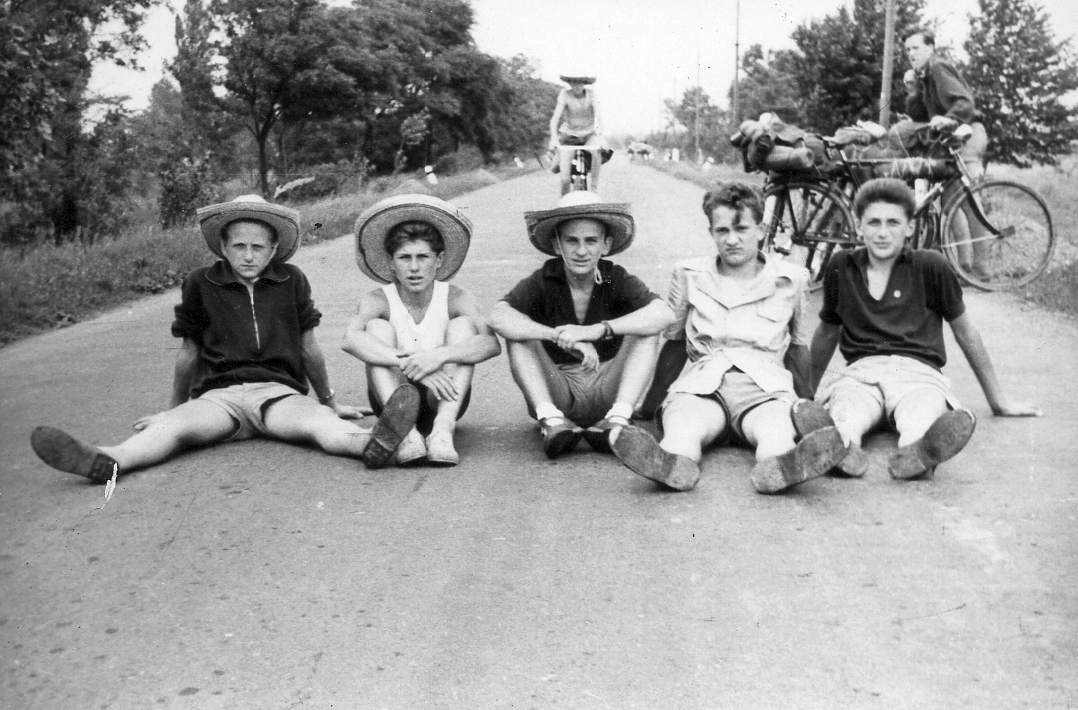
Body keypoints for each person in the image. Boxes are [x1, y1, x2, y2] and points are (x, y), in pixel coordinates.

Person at [30, 195, 421, 483]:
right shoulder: (200, 283)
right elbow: (188, 353)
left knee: (321, 425)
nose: (248, 256)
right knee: (171, 430)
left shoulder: (292, 280)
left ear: (273, 250)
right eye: (239, 246)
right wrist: (173, 408)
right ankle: (107, 460)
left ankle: (372, 443)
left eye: (258, 248)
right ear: (223, 247)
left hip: (278, 394)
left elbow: (309, 347)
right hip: (219, 397)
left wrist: (330, 400)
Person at [611, 183, 848, 493]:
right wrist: (652, 401)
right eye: (722, 231)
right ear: (711, 232)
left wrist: (806, 402)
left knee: (775, 431)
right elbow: (675, 341)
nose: (732, 239)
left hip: (765, 389)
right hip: (703, 386)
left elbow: (798, 347)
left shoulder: (791, 279)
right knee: (683, 426)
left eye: (742, 228)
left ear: (761, 229)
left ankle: (782, 467)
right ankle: (671, 464)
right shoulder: (689, 275)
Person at [802, 178, 1041, 480]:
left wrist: (999, 401)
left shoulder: (931, 265)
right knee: (846, 411)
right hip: (861, 373)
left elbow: (966, 332)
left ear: (910, 227)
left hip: (918, 374)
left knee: (922, 412)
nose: (883, 232)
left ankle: (917, 451)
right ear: (859, 226)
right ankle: (840, 449)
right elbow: (826, 332)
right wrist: (804, 393)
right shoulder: (841, 265)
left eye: (893, 222)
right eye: (873, 222)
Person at [490, 191, 674, 459]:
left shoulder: (616, 277)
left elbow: (664, 314)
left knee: (645, 327)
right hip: (559, 390)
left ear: (606, 245)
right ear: (557, 245)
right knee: (519, 333)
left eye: (591, 241)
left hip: (607, 388)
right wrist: (558, 336)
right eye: (571, 241)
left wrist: (597, 329)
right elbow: (498, 316)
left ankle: (618, 420)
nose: (581, 251)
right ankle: (551, 421)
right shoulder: (544, 278)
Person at [343, 195, 501, 467]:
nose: (414, 268)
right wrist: (410, 362)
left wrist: (438, 357)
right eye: (404, 258)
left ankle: (442, 431)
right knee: (375, 327)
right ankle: (405, 435)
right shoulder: (378, 298)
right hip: (392, 396)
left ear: (439, 260)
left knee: (463, 326)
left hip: (442, 397)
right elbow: (350, 339)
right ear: (391, 262)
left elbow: (490, 344)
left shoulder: (456, 296)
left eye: (422, 257)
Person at [904, 29, 989, 277]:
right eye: (908, 50)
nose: (911, 53)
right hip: (951, 138)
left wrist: (948, 118)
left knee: (969, 199)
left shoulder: (939, 67)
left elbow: (965, 102)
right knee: (950, 200)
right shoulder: (926, 75)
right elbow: (920, 115)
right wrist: (914, 90)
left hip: (968, 132)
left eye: (916, 48)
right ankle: (964, 266)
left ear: (931, 48)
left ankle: (981, 267)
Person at [548, 72, 607, 195]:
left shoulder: (592, 95)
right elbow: (554, 120)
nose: (577, 85)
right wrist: (553, 138)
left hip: (589, 134)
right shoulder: (565, 94)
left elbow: (600, 116)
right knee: (565, 179)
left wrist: (601, 136)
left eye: (580, 82)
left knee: (597, 151)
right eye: (574, 82)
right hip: (569, 136)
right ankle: (563, 203)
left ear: (585, 83)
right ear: (570, 83)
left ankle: (594, 189)